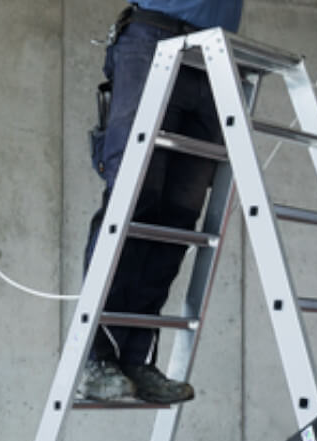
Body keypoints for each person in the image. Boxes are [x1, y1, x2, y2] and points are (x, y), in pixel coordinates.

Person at [77, 1, 245, 404]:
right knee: (134, 203)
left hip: (212, 55)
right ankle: (94, 358)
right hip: (155, 38)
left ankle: (137, 359)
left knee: (178, 221)